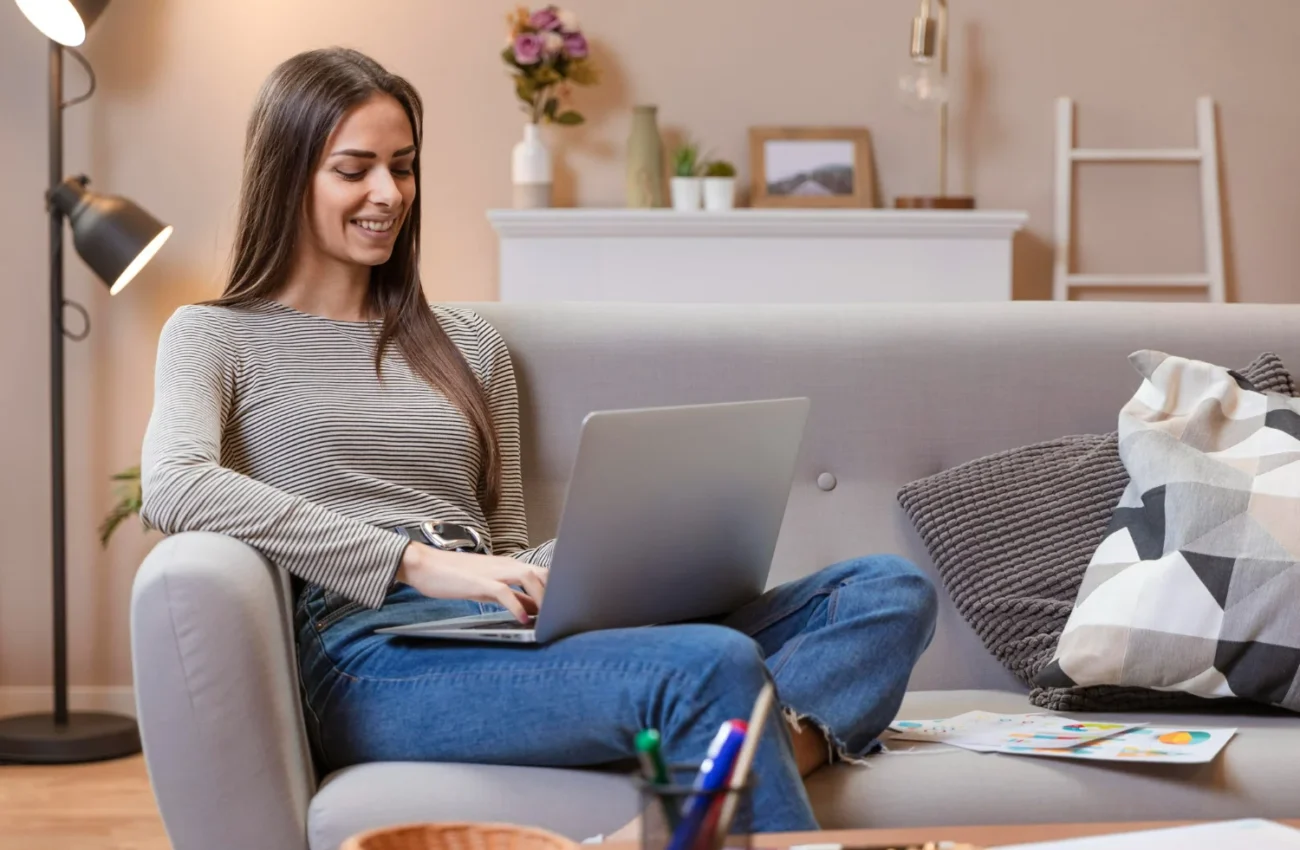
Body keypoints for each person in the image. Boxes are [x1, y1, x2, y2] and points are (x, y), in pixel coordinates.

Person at [139, 46, 938, 834]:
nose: (388, 193)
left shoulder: (467, 343)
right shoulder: (216, 336)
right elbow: (172, 484)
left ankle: (694, 801)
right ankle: (712, 783)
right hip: (371, 650)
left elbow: (508, 541)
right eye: (354, 170)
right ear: (289, 177)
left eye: (404, 166)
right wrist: (420, 563)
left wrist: (612, 565)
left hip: (503, 624)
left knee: (884, 591)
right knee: (710, 666)